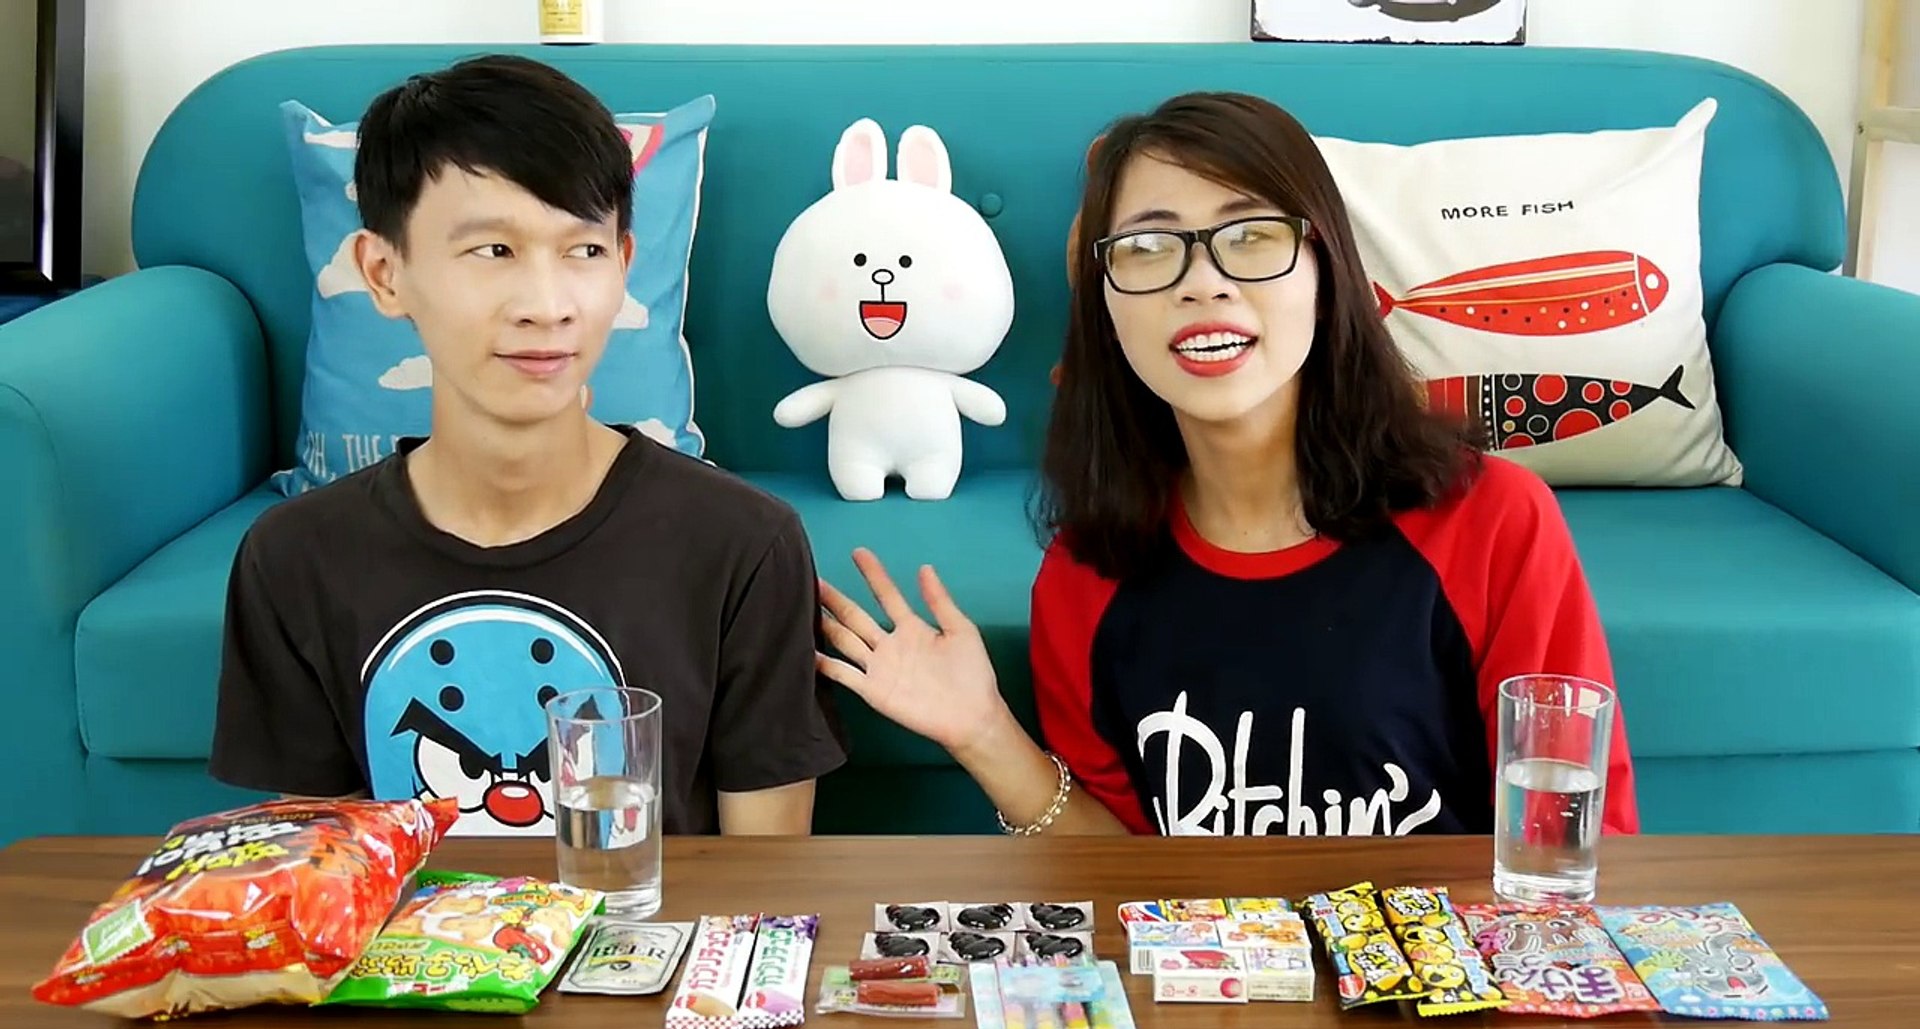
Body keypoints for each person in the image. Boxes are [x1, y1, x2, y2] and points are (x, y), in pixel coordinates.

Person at [816, 91, 1637, 838]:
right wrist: (984, 731)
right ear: (1105, 307)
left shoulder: (1493, 520)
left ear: (1327, 274)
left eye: (1251, 237)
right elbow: (1124, 878)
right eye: (1148, 246)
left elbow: (1573, 849)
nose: (1203, 283)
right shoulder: (1085, 573)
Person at [209, 55, 848, 836]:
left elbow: (762, 879)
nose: (548, 306)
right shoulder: (294, 558)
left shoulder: (743, 545)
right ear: (383, 273)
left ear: (624, 267)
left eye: (584, 251)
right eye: (494, 251)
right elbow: (319, 870)